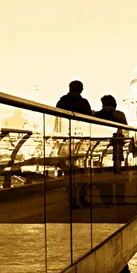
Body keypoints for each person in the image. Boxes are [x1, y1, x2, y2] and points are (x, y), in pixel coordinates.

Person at [56, 80, 92, 208]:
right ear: (81, 90)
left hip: (65, 142)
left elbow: (57, 123)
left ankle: (72, 201)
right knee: (82, 175)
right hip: (81, 142)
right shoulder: (84, 104)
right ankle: (82, 199)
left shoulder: (61, 103)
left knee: (69, 176)